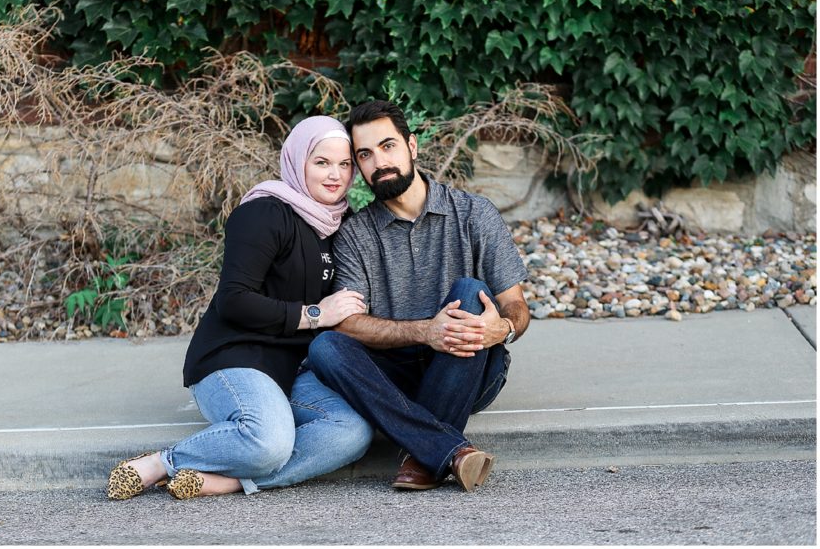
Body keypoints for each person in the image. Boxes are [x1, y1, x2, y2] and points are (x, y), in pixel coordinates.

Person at [107, 116, 373, 501]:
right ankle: (163, 463)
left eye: (344, 165)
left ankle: (231, 481)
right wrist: (316, 314)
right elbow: (234, 300)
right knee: (269, 443)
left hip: (295, 369)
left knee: (352, 433)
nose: (335, 175)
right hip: (236, 358)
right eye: (321, 162)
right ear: (299, 162)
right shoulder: (265, 213)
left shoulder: (342, 225)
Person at [307, 100, 531, 492]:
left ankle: (422, 452)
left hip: (471, 365)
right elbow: (348, 323)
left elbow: (516, 303)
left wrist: (503, 329)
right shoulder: (355, 234)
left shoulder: (474, 213)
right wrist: (427, 331)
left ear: (412, 146)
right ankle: (446, 451)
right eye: (365, 154)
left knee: (471, 291)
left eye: (388, 146)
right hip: (395, 374)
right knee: (326, 345)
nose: (379, 161)